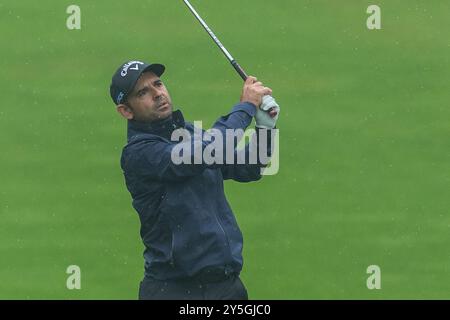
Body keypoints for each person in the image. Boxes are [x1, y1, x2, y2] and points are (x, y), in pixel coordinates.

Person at [109, 60, 280, 300]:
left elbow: (249, 168)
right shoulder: (139, 153)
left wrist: (265, 128)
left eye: (157, 84)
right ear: (126, 111)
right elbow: (208, 151)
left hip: (226, 287)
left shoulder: (189, 135)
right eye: (143, 92)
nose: (157, 93)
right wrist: (245, 108)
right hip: (174, 290)